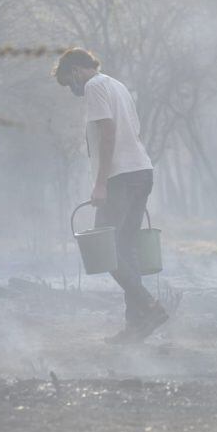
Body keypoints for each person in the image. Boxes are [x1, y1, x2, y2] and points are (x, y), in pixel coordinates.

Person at [53, 48, 168, 343]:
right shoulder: (116, 85)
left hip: (120, 177)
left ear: (77, 71)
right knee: (125, 248)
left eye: (69, 82)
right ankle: (137, 326)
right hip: (142, 171)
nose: (72, 89)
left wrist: (101, 183)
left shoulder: (94, 87)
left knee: (105, 250)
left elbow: (108, 133)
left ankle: (150, 307)